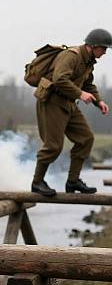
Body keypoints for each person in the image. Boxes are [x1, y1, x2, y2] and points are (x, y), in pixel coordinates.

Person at [31, 29, 111, 196]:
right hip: (52, 102)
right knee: (53, 146)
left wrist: (99, 101)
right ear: (94, 46)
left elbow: (88, 85)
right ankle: (37, 183)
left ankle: (73, 181)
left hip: (69, 104)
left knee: (86, 139)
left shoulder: (88, 61)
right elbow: (60, 79)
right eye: (104, 48)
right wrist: (80, 94)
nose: (105, 52)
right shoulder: (72, 56)